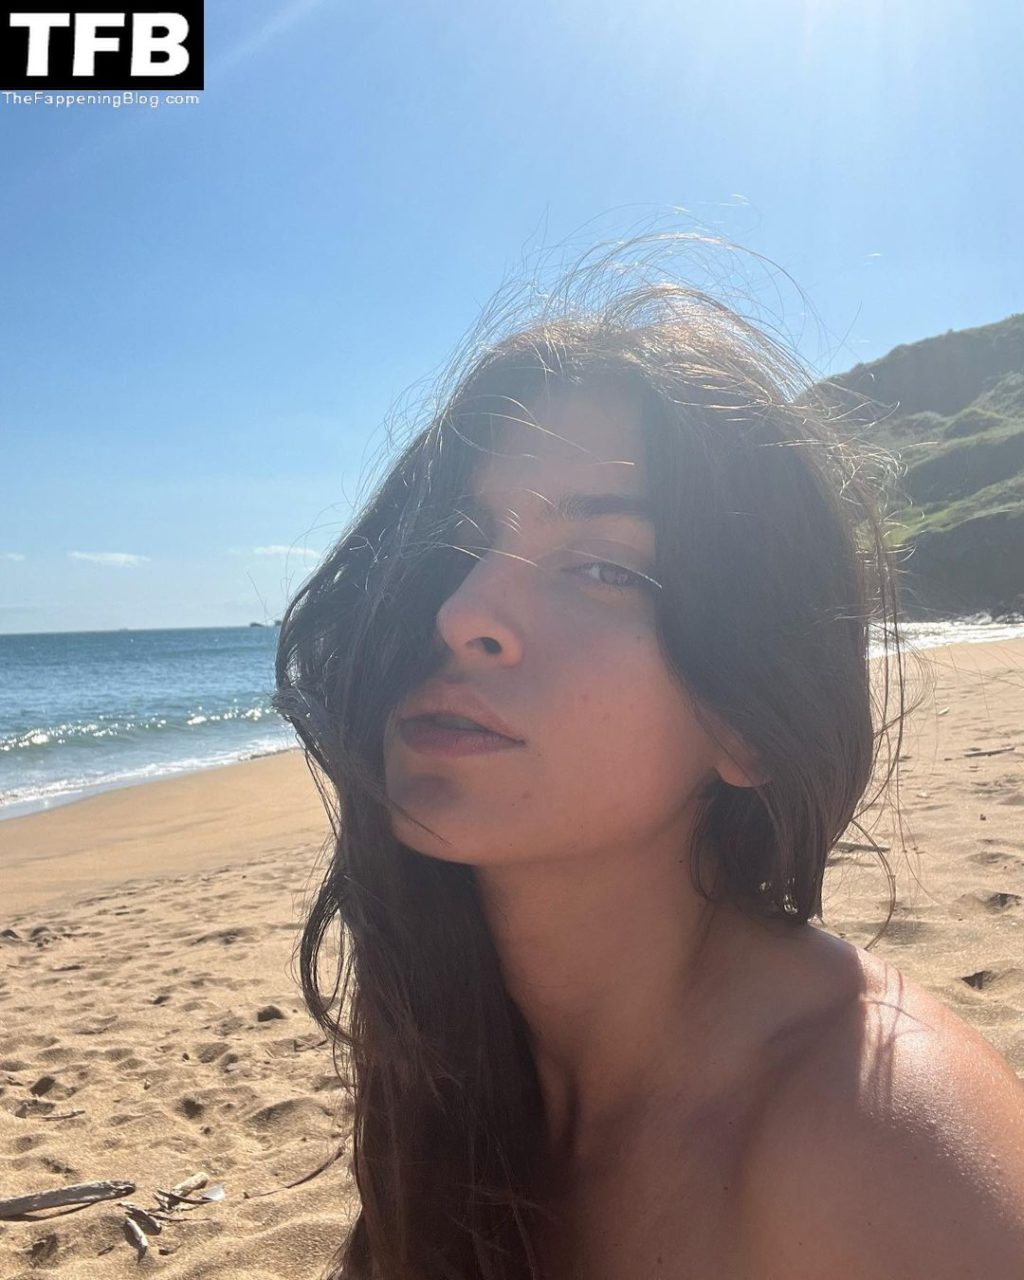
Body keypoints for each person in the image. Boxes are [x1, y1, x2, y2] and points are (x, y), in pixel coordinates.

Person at [274, 245, 1024, 1280]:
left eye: (604, 567)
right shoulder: (443, 1058)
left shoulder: (877, 1146)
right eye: (456, 549)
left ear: (747, 719)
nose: (462, 610)